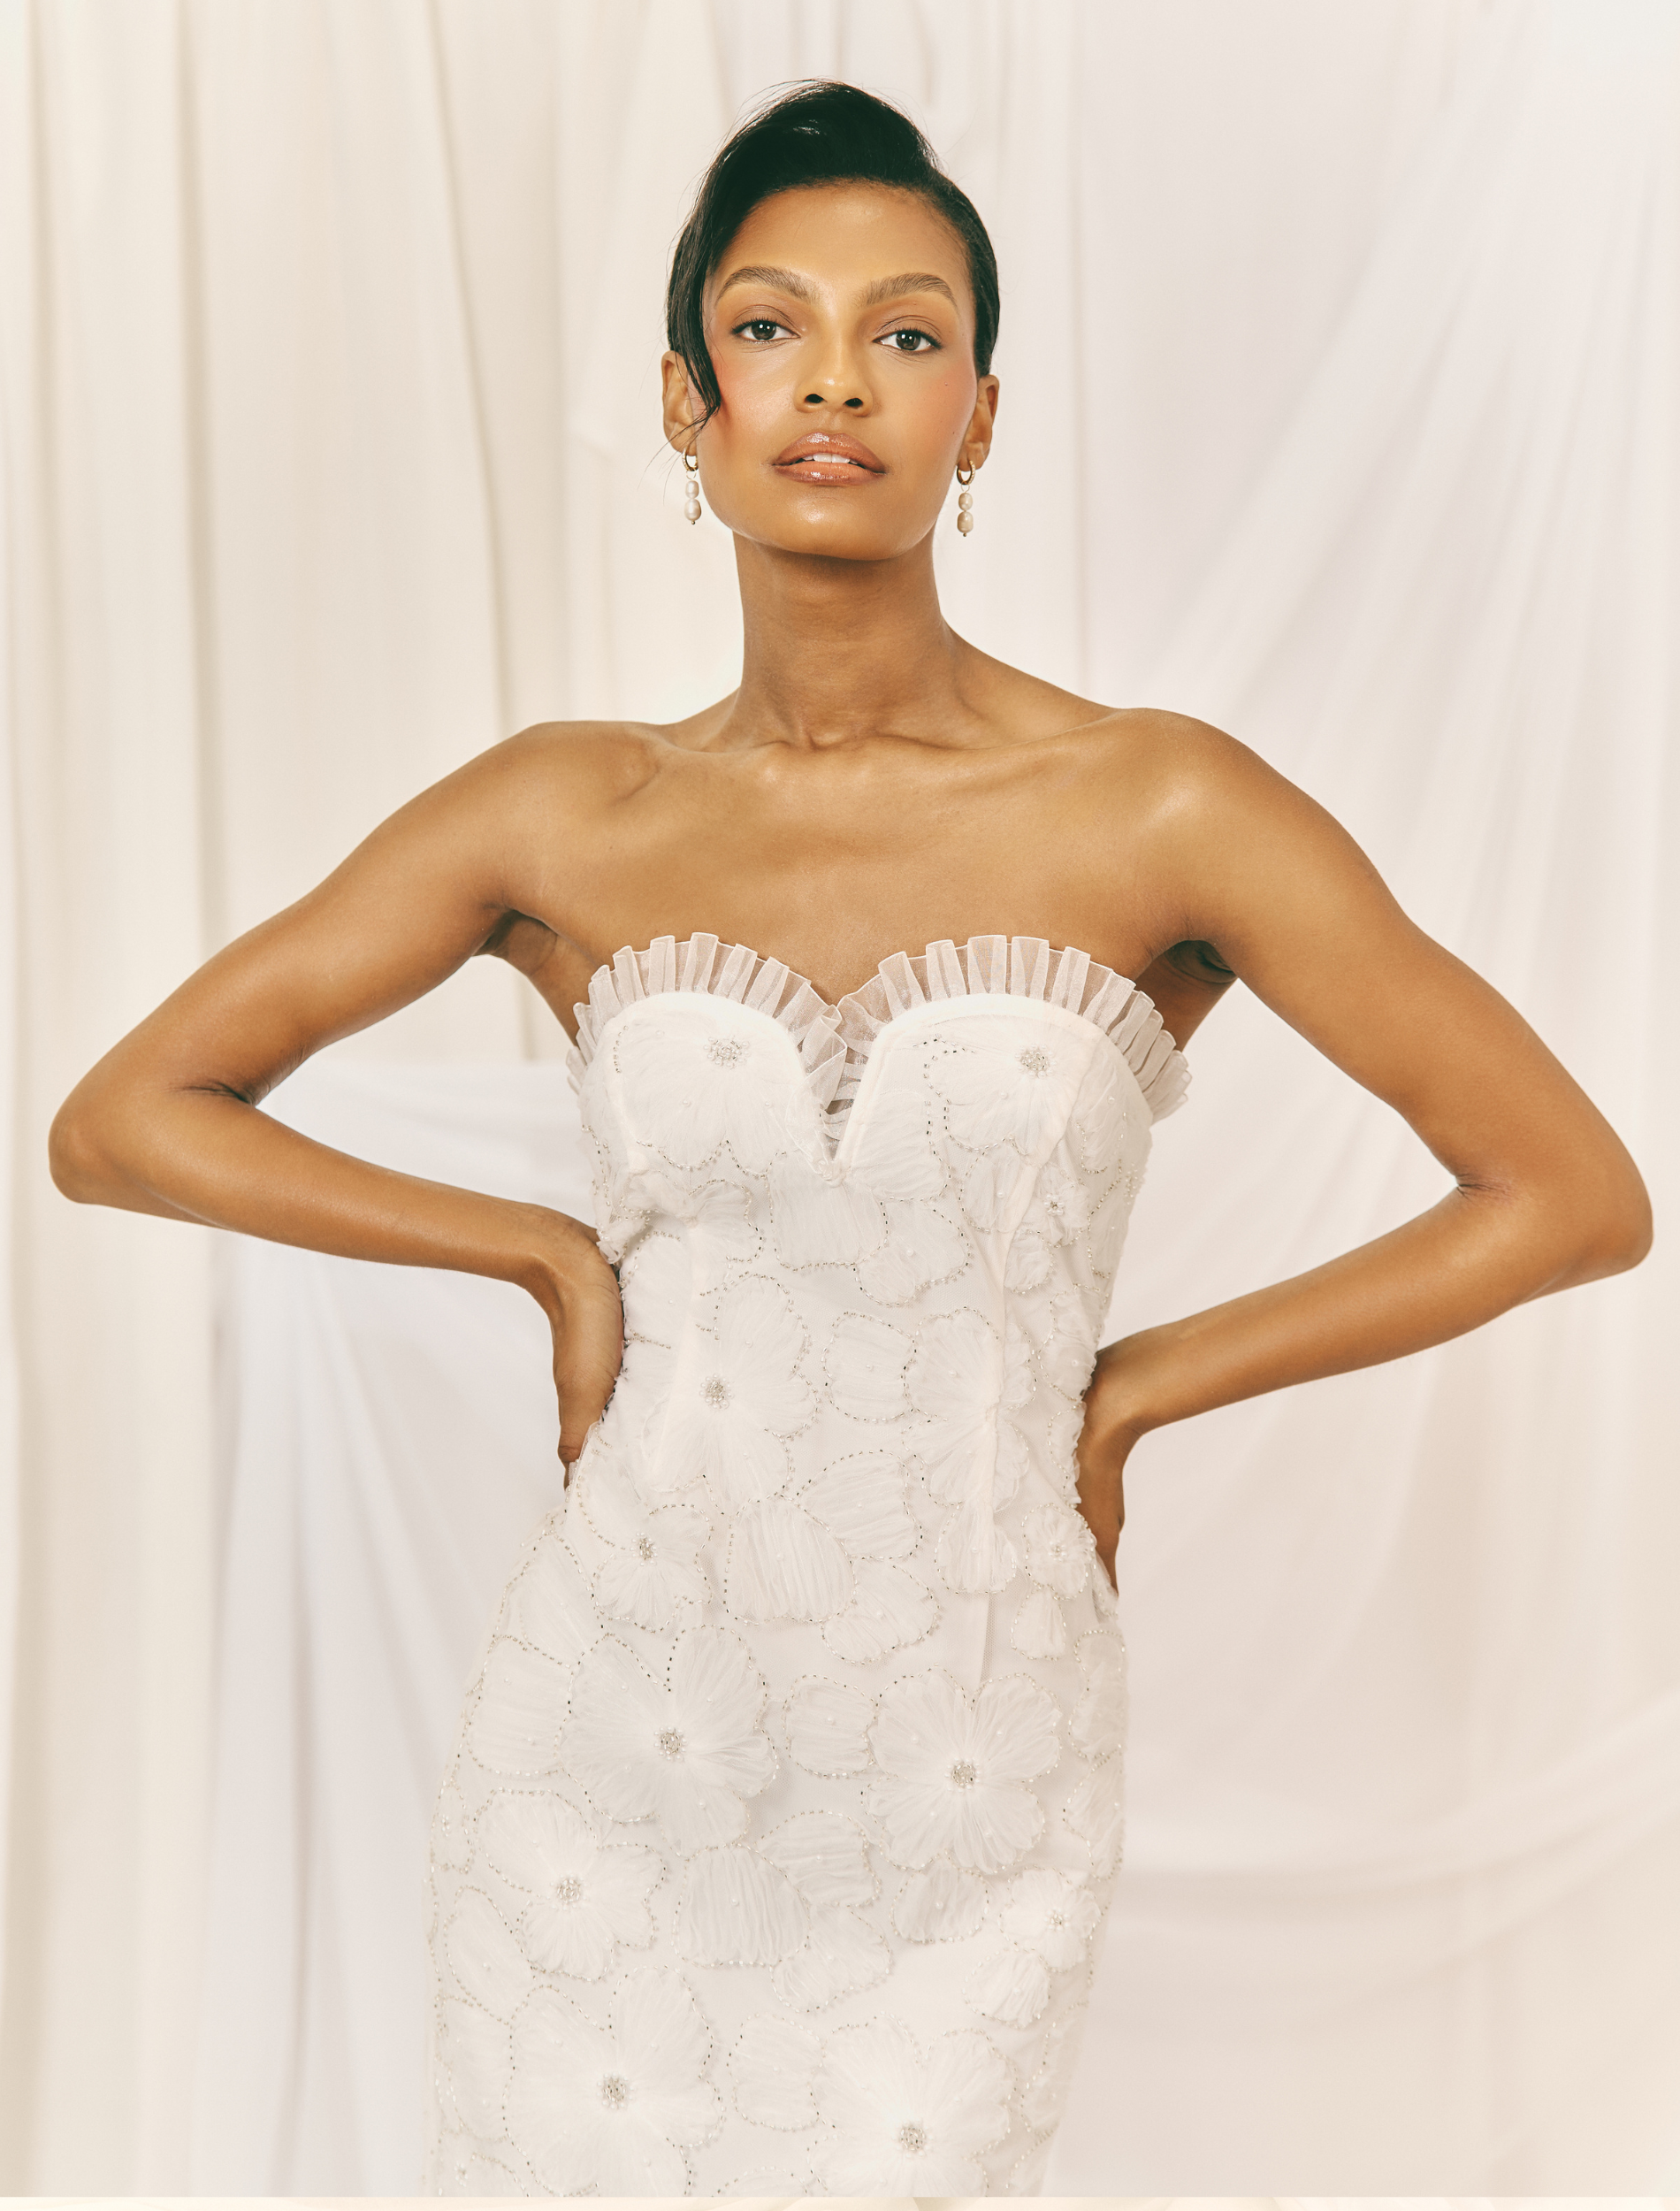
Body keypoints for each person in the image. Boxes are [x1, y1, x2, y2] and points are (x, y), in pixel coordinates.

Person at [50, 79, 1649, 2200]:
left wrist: (1131, 1389)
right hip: (608, 1742)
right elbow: (121, 1119)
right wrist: (540, 1249)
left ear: (977, 414)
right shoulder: (567, 809)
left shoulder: (1157, 803)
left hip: (967, 1747)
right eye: (765, 325)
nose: (832, 380)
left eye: (904, 332)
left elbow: (1568, 1191)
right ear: (684, 401)